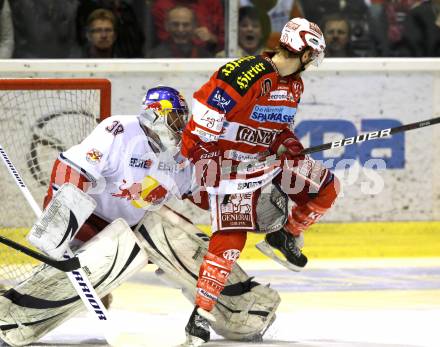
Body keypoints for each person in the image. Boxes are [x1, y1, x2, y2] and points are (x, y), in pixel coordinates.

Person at [180, 17, 340, 345]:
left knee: (326, 187)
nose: (313, 63)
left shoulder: (294, 84)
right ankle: (200, 314)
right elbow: (203, 118)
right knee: (230, 239)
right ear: (305, 52)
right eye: (314, 55)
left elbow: (277, 130)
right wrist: (203, 158)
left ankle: (285, 236)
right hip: (226, 166)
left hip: (264, 163)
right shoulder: (246, 73)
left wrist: (288, 143)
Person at [151, 0, 224, 55]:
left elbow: (229, 44)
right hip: (168, 58)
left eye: (185, 25)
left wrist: (212, 38)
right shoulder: (161, 5)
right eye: (176, 24)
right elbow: (167, 38)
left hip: (209, 57)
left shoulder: (212, 2)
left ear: (195, 25)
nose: (180, 29)